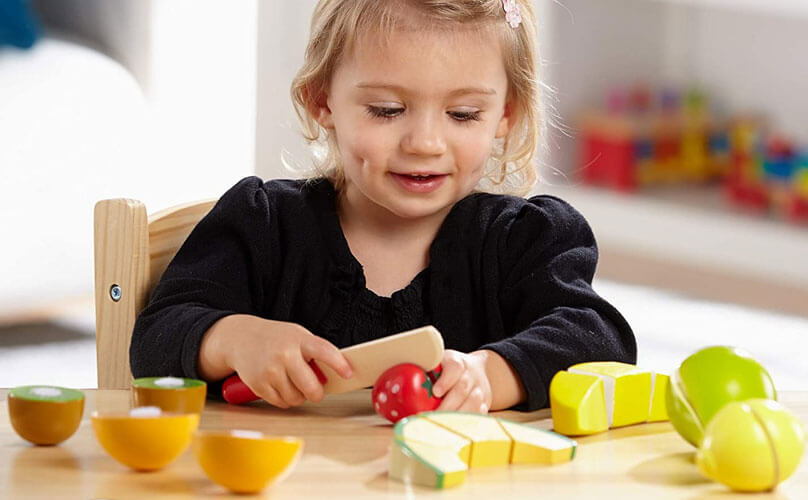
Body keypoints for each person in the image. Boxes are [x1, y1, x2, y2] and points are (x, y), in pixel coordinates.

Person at [130, 0, 636, 413]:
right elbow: (154, 340)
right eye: (387, 110)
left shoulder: (526, 239)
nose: (424, 142)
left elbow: (601, 342)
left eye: (463, 114)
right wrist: (233, 338)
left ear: (505, 115)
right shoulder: (264, 225)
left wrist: (491, 375)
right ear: (321, 100)